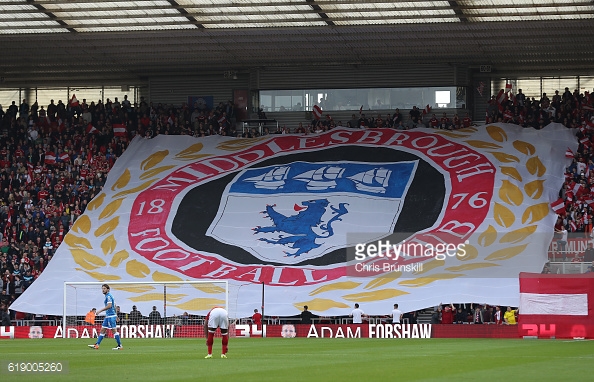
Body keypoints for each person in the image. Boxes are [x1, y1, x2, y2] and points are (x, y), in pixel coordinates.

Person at [88, 284, 123, 350]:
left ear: (108, 289)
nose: (103, 290)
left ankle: (120, 345)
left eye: (104, 288)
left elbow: (109, 306)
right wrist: (116, 315)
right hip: (108, 316)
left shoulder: (109, 296)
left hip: (111, 316)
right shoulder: (108, 296)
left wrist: (100, 310)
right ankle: (97, 345)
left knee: (114, 331)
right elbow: (114, 305)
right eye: (102, 288)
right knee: (102, 330)